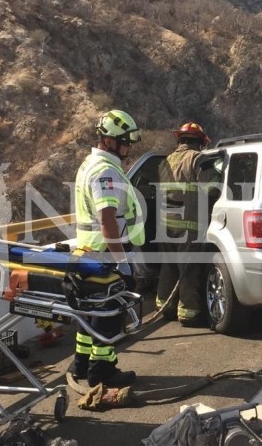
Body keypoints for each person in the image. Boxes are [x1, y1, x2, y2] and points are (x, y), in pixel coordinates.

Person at [70, 109, 145, 387]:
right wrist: (121, 259)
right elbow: (106, 219)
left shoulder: (90, 164)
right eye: (125, 141)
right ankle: (102, 369)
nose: (129, 147)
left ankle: (80, 363)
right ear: (110, 141)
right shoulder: (105, 172)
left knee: (89, 311)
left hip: (87, 252)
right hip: (105, 256)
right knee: (108, 314)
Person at [155, 122, 219, 327]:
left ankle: (165, 306)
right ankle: (189, 313)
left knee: (169, 266)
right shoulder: (199, 160)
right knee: (188, 270)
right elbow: (213, 188)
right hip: (189, 225)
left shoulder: (165, 162)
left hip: (165, 226)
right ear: (200, 142)